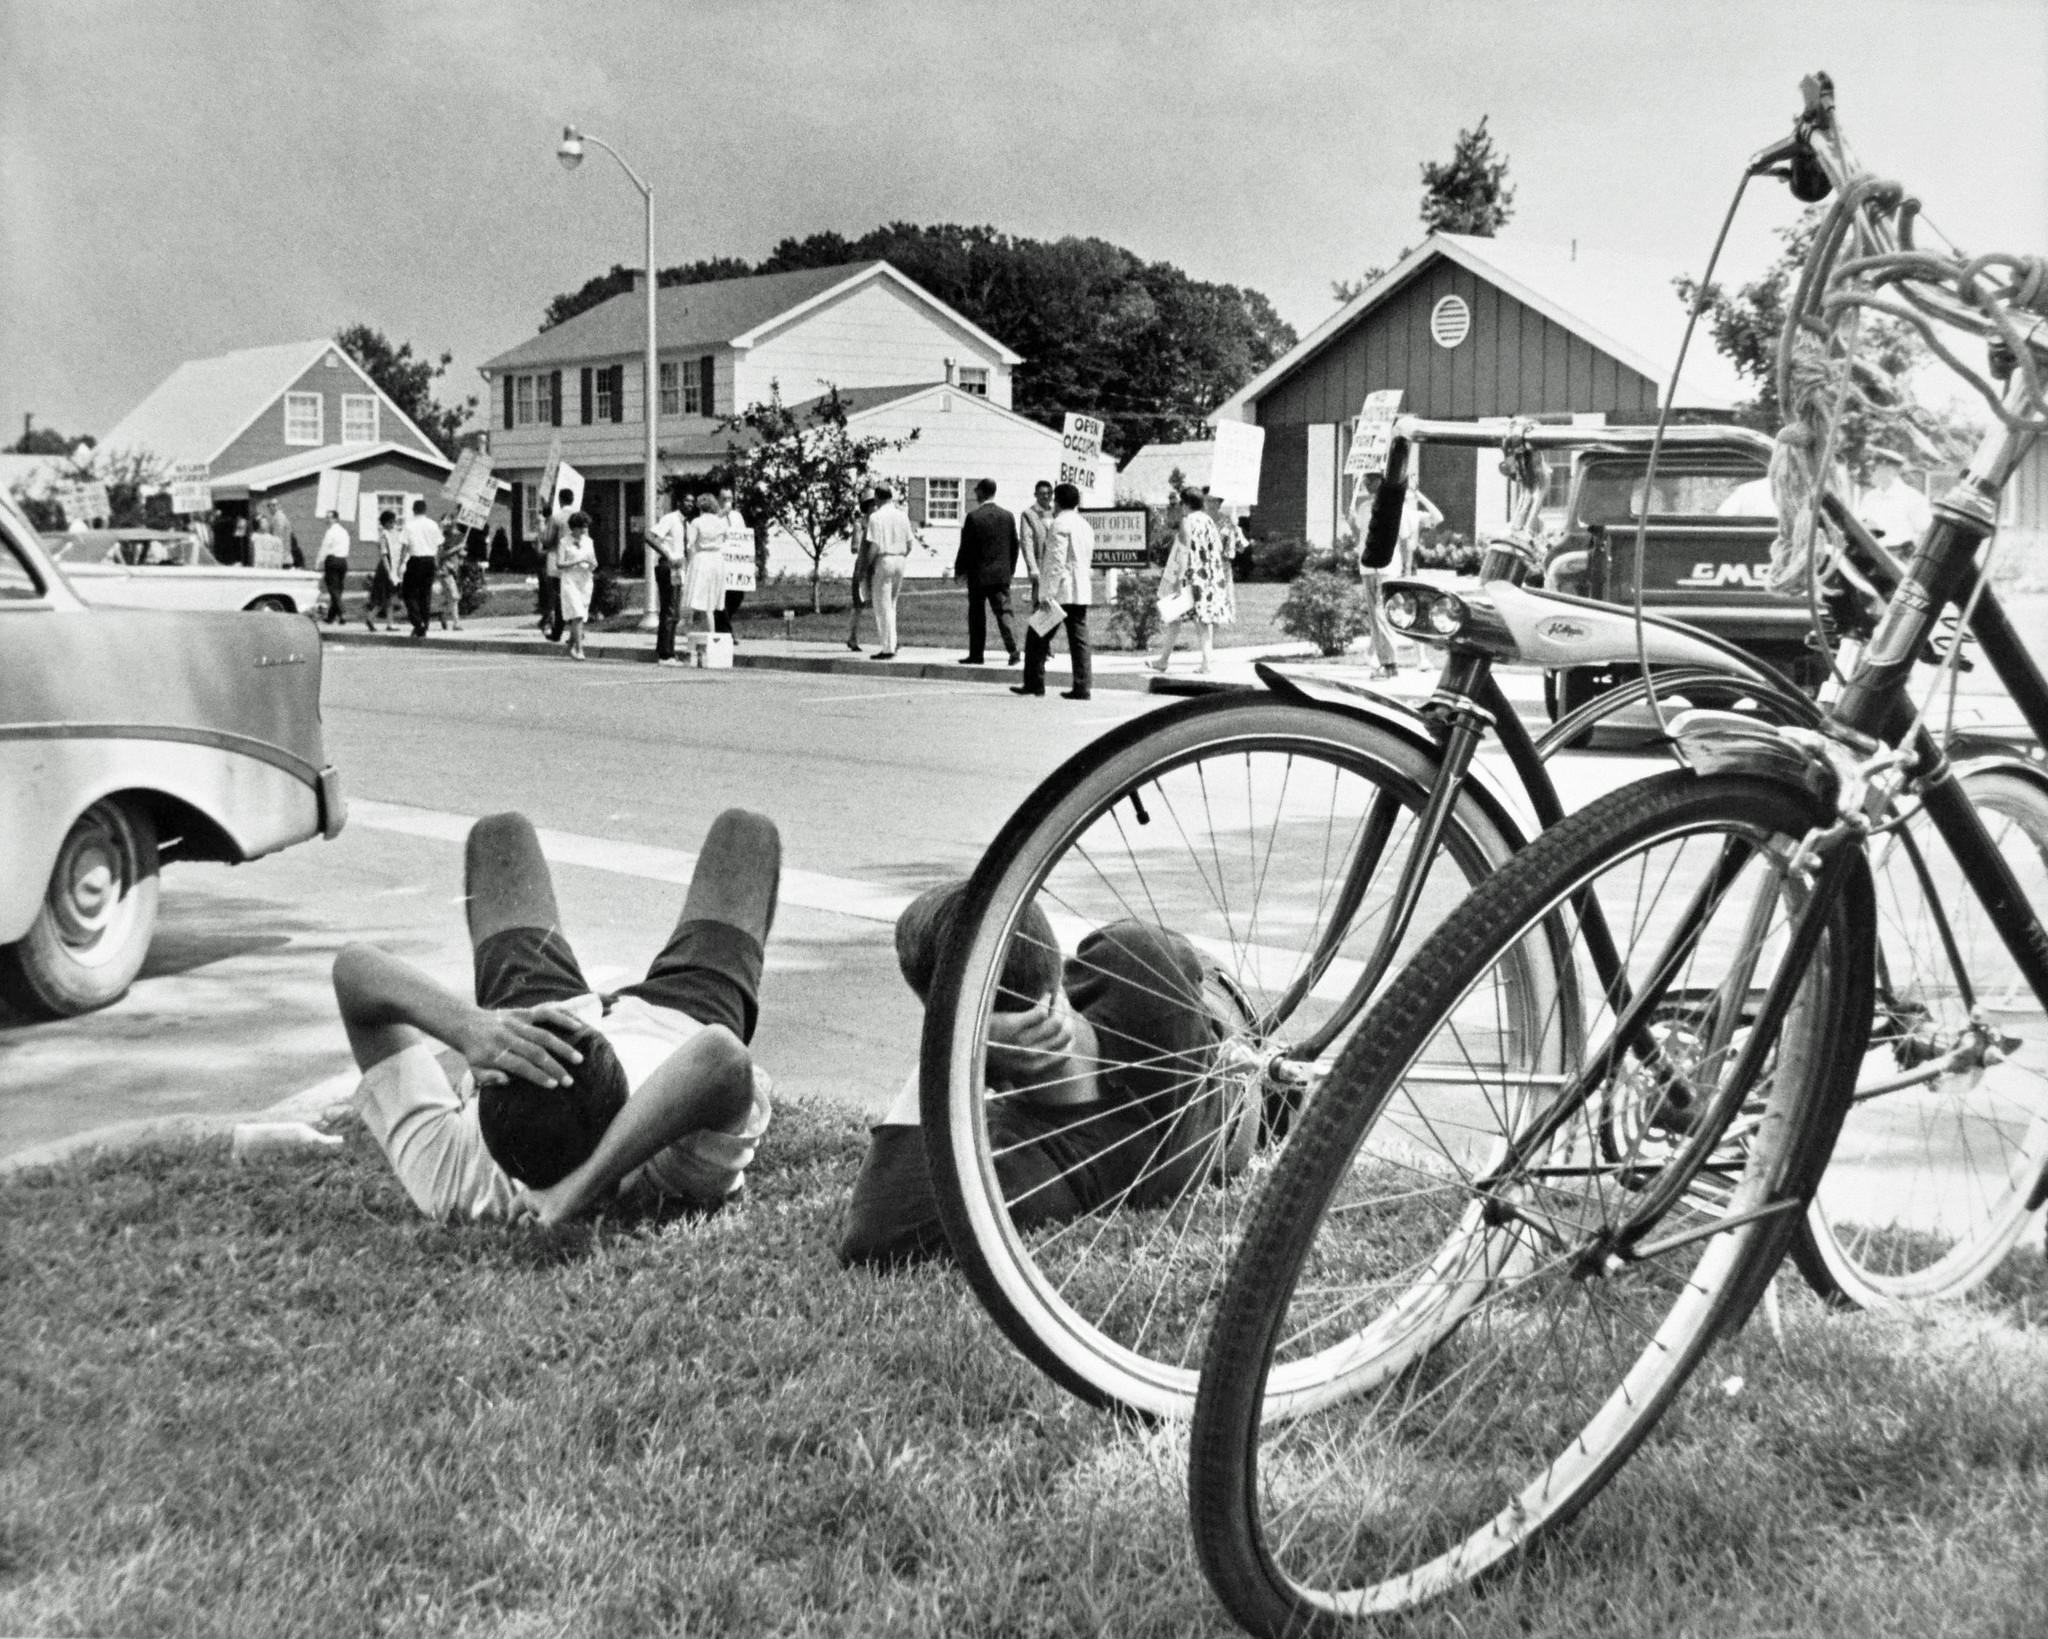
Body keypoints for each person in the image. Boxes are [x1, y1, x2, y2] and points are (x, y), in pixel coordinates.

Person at [336, 807, 778, 1227]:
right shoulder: (678, 1170)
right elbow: (722, 1055)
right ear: (623, 1107)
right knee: (746, 833)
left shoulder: (453, 1180)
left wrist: (471, 1030)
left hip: (543, 1009)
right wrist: (584, 1187)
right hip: (678, 1020)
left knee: (501, 834)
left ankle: (524, 1020)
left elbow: (354, 970)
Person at [838, 882, 1250, 1267]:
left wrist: (953, 1052)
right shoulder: (1138, 959)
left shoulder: (1036, 1169)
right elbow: (1175, 953)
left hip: (1237, 1086)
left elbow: (877, 1232)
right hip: (1236, 1040)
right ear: (1050, 959)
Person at [1014, 481, 1093, 700]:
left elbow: (1055, 562)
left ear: (1057, 501)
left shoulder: (1059, 524)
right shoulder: (1084, 525)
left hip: (1061, 591)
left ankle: (1034, 683)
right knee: (1079, 640)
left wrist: (1046, 593)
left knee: (1036, 635)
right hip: (1080, 589)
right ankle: (1082, 685)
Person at [1151, 486, 1236, 677]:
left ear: (1186, 503)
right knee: (1195, 620)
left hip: (1191, 577)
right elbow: (1218, 547)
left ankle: (1202, 663)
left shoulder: (1187, 521)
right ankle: (1165, 660)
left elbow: (1183, 550)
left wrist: (1178, 579)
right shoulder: (1209, 521)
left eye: (1182, 502)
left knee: (1186, 619)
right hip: (1209, 577)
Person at [953, 478, 1021, 666]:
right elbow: (1015, 545)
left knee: (977, 615)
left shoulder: (974, 517)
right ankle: (1014, 649)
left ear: (982, 492)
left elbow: (965, 547)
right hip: (1000, 574)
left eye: (977, 491)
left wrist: (959, 570)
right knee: (1004, 613)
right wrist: (1011, 569)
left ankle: (976, 654)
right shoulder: (1007, 516)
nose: (975, 495)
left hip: (978, 575)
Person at [865, 483, 916, 659]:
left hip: (884, 558)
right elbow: (910, 543)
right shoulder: (902, 516)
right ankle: (892, 643)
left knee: (882, 605)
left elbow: (875, 544)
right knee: (892, 604)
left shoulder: (875, 517)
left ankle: (888, 647)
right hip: (900, 559)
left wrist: (868, 565)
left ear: (877, 498)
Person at [681, 492, 729, 661]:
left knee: (692, 594)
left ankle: (686, 626)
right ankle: (712, 633)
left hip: (702, 559)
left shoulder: (696, 522)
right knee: (710, 600)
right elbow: (725, 539)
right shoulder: (721, 523)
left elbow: (690, 543)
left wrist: (688, 557)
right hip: (717, 559)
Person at [1857, 447, 1932, 548]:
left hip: (1900, 558)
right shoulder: (1869, 497)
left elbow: (1925, 533)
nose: (1870, 473)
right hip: (1872, 556)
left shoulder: (1914, 498)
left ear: (1890, 470)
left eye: (1874, 469)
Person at [648, 488, 689, 666]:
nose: (690, 504)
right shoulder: (670, 519)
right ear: (679, 502)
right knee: (669, 610)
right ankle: (665, 654)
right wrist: (668, 555)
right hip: (667, 566)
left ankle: (667, 650)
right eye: (687, 501)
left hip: (678, 569)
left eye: (692, 501)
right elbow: (650, 536)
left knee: (674, 612)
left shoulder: (685, 523)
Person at [399, 498, 445, 639]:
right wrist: (437, 562)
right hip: (430, 560)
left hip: (416, 560)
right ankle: (425, 623)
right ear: (425, 510)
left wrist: (401, 562)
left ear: (414, 510)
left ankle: (418, 623)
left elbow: (404, 546)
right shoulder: (433, 525)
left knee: (409, 593)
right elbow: (440, 545)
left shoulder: (409, 526)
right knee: (425, 594)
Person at [557, 510, 597, 661]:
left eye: (586, 527)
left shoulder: (589, 541)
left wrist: (591, 563)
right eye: (581, 527)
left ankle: (569, 647)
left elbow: (594, 562)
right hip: (570, 580)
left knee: (580, 616)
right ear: (573, 528)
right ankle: (579, 649)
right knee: (577, 613)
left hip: (585, 580)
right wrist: (576, 561)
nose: (584, 530)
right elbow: (560, 563)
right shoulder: (564, 542)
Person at [716, 486, 754, 646]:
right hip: (720, 562)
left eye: (729, 498)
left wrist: (751, 563)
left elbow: (744, 539)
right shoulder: (713, 516)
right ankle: (726, 633)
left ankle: (721, 627)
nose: (727, 502)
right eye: (724, 499)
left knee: (737, 596)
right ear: (718, 500)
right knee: (721, 598)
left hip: (736, 565)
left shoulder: (737, 516)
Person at [845, 488, 879, 653]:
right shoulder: (860, 524)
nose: (875, 506)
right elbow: (854, 547)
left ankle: (889, 639)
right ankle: (852, 637)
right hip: (863, 568)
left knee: (882, 603)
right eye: (872, 504)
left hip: (877, 567)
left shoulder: (880, 522)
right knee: (859, 604)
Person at [538, 487, 573, 642]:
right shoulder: (579, 516)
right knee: (574, 597)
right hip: (576, 561)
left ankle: (557, 631)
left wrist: (541, 527)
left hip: (559, 561)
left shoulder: (557, 518)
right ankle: (576, 631)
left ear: (560, 500)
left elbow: (547, 539)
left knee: (560, 597)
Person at [1018, 478, 1056, 608]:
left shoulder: (1056, 512)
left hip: (1055, 563)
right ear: (1036, 495)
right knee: (1040, 604)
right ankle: (1036, 628)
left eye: (1049, 493)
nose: (1046, 496)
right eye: (1042, 493)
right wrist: (1032, 567)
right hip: (1040, 563)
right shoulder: (1029, 514)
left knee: (1056, 604)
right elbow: (1026, 542)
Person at [367, 508, 402, 631]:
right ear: (385, 523)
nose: (393, 524)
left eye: (394, 521)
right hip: (385, 568)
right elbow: (384, 555)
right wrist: (389, 572)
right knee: (384, 597)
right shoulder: (383, 536)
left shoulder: (395, 534)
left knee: (390, 597)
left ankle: (388, 622)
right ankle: (371, 618)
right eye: (391, 522)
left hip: (394, 566)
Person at [316, 508, 352, 624]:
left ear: (336, 519)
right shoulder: (344, 532)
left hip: (332, 560)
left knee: (333, 589)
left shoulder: (331, 532)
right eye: (327, 517)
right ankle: (331, 617)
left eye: (330, 517)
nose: (327, 519)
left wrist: (319, 562)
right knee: (338, 590)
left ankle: (343, 612)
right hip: (342, 561)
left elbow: (325, 547)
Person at [435, 516, 467, 632]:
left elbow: (462, 553)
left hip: (455, 570)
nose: (448, 522)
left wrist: (462, 551)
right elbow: (441, 555)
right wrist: (457, 548)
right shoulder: (441, 538)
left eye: (450, 519)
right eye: (446, 520)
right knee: (454, 596)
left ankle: (442, 613)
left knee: (450, 597)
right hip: (445, 570)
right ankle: (456, 624)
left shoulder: (460, 536)